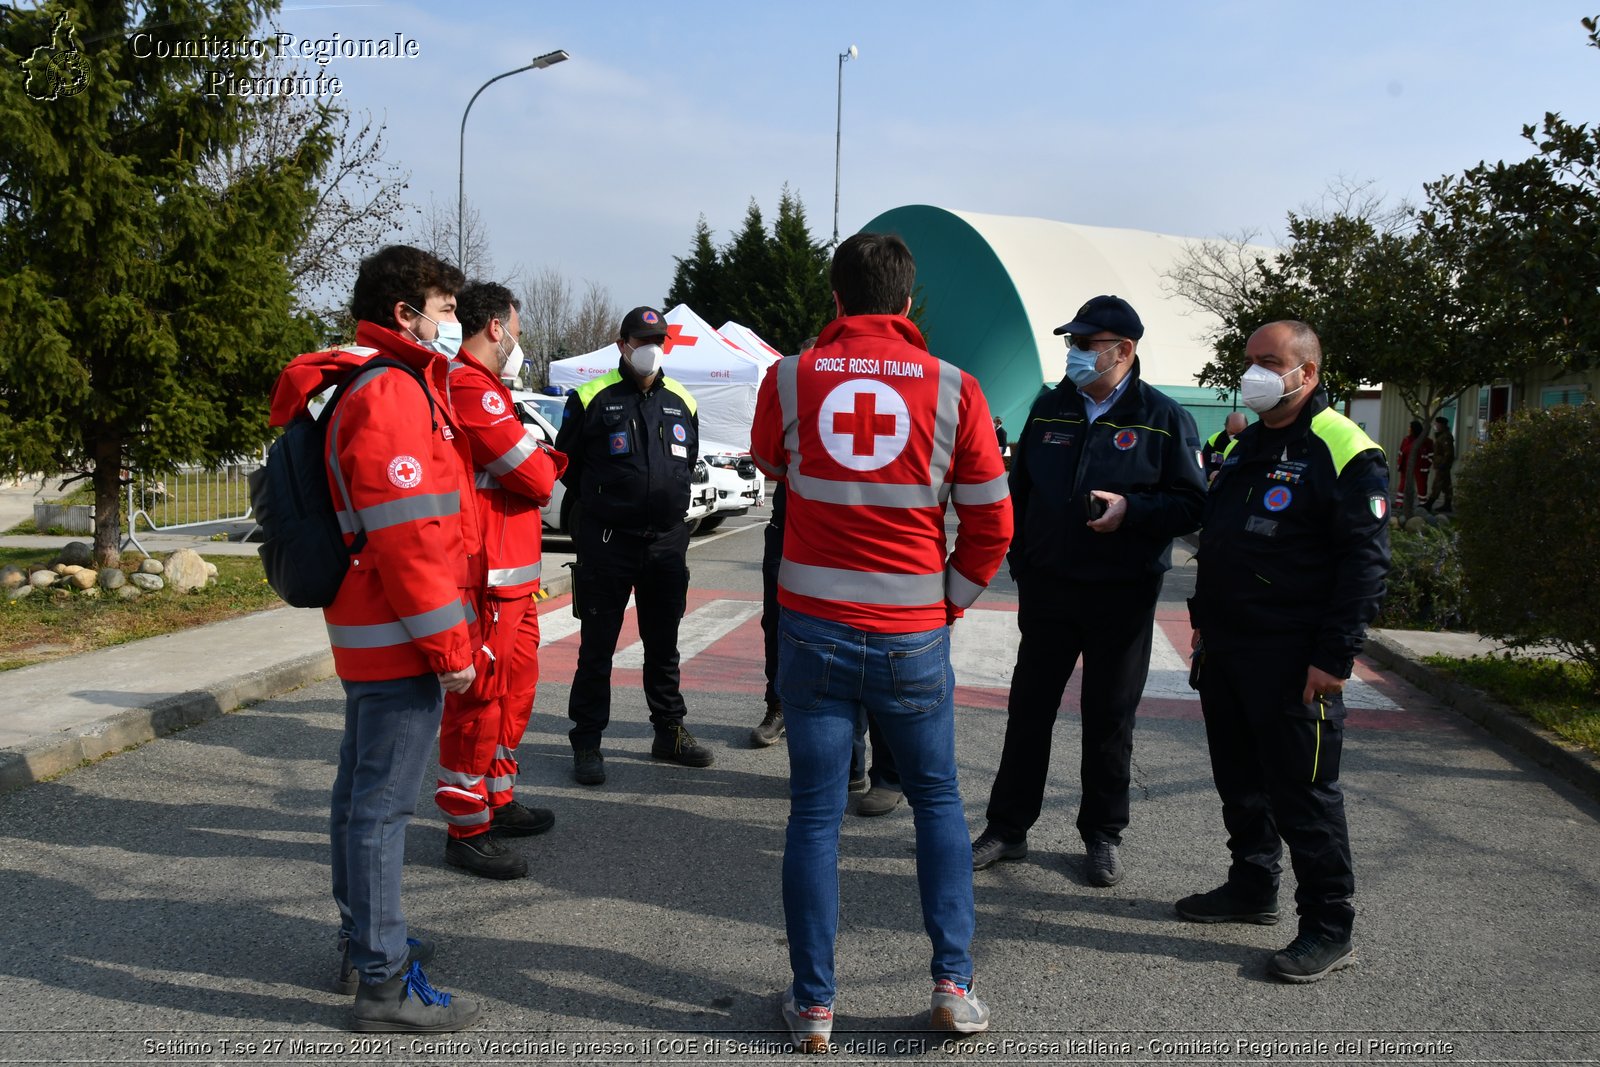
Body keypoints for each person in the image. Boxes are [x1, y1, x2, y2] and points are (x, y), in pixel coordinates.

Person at [751, 232, 1012, 1049]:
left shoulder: (789, 378)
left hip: (813, 633)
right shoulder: (955, 388)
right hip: (911, 636)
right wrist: (951, 603)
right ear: (907, 304)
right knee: (936, 801)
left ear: (835, 300)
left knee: (814, 815)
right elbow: (993, 522)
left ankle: (815, 1006)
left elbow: (770, 462)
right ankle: (952, 985)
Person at [268, 244, 480, 1031]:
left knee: (360, 796)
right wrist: (451, 650)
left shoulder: (368, 380)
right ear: (405, 312)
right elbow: (411, 539)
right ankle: (384, 982)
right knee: (383, 809)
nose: (452, 321)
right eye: (446, 307)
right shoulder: (390, 392)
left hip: (369, 626)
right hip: (397, 632)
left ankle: (366, 941)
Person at [1180, 320, 1389, 984]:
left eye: (1270, 362)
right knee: (1240, 780)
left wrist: (1335, 656)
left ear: (1308, 371)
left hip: (1297, 656)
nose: (1254, 373)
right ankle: (1252, 884)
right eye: (1249, 361)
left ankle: (1330, 926)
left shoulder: (1345, 447)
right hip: (1229, 648)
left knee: (1304, 794)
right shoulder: (1241, 444)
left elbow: (1365, 564)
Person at [972, 295, 1206, 888]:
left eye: (1086, 345)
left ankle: (1102, 835)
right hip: (1050, 589)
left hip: (1122, 597)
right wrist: (1024, 562)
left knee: (1109, 718)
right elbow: (1018, 491)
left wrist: (1135, 510)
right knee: (1029, 710)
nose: (1074, 354)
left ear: (1124, 351)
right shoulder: (1051, 408)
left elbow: (1193, 503)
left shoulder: (1164, 416)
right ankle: (1007, 828)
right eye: (1071, 343)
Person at [433, 281, 566, 879]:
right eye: (515, 327)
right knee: (480, 700)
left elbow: (531, 468)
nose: (518, 339)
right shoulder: (469, 387)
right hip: (487, 579)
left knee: (514, 694)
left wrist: (538, 455)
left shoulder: (489, 389)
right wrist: (542, 455)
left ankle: (498, 797)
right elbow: (536, 478)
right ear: (495, 327)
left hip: (516, 579)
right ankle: (466, 826)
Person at [555, 306, 712, 784]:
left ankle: (669, 731)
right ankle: (587, 742)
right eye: (642, 340)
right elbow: (569, 465)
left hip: (666, 543)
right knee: (597, 648)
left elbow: (685, 463)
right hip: (608, 542)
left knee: (663, 646)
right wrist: (606, 504)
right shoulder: (591, 396)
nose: (651, 348)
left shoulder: (682, 398)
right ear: (622, 344)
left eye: (658, 340)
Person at [1201, 412, 1248, 485]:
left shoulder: (1252, 441)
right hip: (1216, 485)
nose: (1235, 437)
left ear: (1247, 427)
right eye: (1231, 433)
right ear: (1225, 426)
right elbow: (1201, 464)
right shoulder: (1215, 441)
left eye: (1239, 433)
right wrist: (1210, 473)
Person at [1424, 415, 1455, 512]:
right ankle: (1447, 504)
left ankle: (1429, 504)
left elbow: (1448, 452)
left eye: (1437, 424)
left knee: (1437, 484)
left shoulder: (1445, 437)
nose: (1436, 426)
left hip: (1443, 465)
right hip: (1440, 464)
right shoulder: (1441, 435)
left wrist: (1444, 464)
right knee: (1446, 485)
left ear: (1442, 425)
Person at [1396, 419, 1431, 502]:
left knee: (1421, 485)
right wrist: (1400, 464)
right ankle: (1399, 503)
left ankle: (1423, 504)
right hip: (1406, 466)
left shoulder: (1426, 441)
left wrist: (1426, 464)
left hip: (1420, 466)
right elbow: (1401, 452)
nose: (1408, 429)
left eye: (1410, 428)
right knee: (1403, 484)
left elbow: (1430, 455)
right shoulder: (1406, 440)